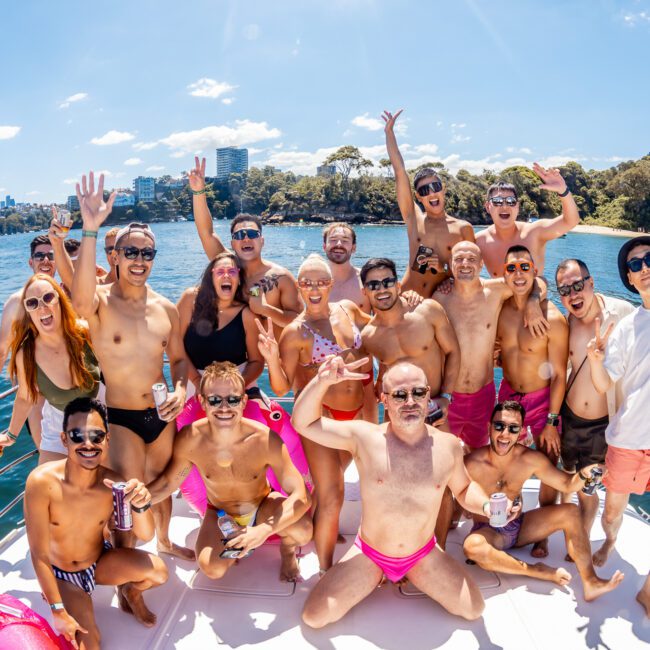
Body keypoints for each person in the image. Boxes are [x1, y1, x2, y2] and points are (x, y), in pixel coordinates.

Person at [294, 359, 499, 627]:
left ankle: (413, 573)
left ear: (429, 396)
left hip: (422, 554)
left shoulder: (448, 446)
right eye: (400, 395)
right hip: (370, 553)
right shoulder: (364, 438)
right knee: (314, 617)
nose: (410, 401)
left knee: (474, 609)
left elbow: (463, 488)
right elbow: (303, 423)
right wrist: (322, 382)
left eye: (418, 393)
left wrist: (486, 506)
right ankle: (378, 574)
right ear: (384, 400)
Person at [71, 171, 193, 562]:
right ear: (116, 257)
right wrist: (90, 230)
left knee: (161, 487)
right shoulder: (101, 303)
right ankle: (126, 577)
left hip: (161, 414)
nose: (139, 260)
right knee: (129, 493)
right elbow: (77, 303)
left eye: (147, 253)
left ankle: (166, 541)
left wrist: (179, 390)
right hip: (121, 416)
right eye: (131, 252)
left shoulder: (166, 308)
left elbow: (178, 359)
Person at [256, 254, 374, 573]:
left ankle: (293, 542)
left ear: (331, 284)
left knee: (323, 497)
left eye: (321, 281)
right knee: (333, 495)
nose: (314, 288)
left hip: (358, 417)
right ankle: (325, 572)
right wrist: (270, 358)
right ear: (299, 286)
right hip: (320, 422)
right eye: (306, 282)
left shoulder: (347, 311)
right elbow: (281, 388)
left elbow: (378, 324)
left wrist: (406, 294)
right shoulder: (296, 332)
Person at [148, 361, 312, 582]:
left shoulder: (264, 439)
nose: (224, 407)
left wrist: (263, 530)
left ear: (244, 401)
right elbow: (169, 483)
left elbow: (302, 496)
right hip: (220, 514)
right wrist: (140, 497)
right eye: (215, 400)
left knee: (303, 531)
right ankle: (234, 545)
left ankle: (287, 551)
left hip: (261, 505)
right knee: (212, 569)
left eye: (232, 399)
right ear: (202, 402)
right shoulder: (190, 439)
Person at [24, 397, 168, 649]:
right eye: (77, 435)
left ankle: (130, 592)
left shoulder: (113, 483)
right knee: (89, 644)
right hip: (63, 575)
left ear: (107, 440)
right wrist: (58, 610)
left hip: (99, 563)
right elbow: (38, 553)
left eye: (96, 436)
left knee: (158, 573)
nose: (88, 443)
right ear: (64, 439)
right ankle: (69, 603)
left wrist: (141, 503)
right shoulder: (41, 482)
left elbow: (145, 533)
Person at [463, 401, 624, 601]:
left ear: (521, 431)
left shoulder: (529, 459)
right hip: (487, 531)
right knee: (472, 547)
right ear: (489, 426)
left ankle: (591, 581)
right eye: (499, 426)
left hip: (519, 527)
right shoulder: (471, 463)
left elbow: (566, 484)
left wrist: (584, 474)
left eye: (513, 428)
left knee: (571, 511)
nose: (505, 434)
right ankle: (537, 571)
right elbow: (455, 493)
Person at [435, 242, 547, 449]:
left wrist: (532, 301)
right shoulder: (439, 298)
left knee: (478, 455)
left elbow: (536, 280)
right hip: (450, 395)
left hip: (483, 397)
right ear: (450, 265)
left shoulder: (496, 291)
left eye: (471, 259)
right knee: (443, 458)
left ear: (481, 265)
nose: (465, 264)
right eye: (459, 259)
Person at [497, 245, 569, 557]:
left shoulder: (553, 319)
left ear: (534, 271)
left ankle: (542, 532)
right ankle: (504, 522)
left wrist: (552, 421)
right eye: (511, 268)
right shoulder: (499, 309)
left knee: (548, 466)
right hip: (508, 396)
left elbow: (559, 376)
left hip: (542, 401)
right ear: (503, 274)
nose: (518, 273)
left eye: (524, 267)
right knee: (505, 463)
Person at [554, 258, 634, 535]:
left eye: (578, 285)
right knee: (565, 479)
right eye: (564, 290)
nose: (573, 294)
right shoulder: (566, 323)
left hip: (602, 424)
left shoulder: (622, 313)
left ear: (591, 283)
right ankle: (564, 532)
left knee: (588, 489)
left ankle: (582, 537)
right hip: (569, 417)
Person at [586, 236, 650, 579]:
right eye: (635, 265)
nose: (644, 268)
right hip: (629, 438)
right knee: (612, 513)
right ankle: (610, 542)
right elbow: (603, 383)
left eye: (649, 259)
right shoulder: (627, 327)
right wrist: (595, 360)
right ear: (629, 277)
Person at [188, 157, 302, 333]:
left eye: (252, 234)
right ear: (233, 243)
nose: (246, 239)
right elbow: (206, 233)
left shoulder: (282, 278)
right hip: (236, 358)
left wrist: (265, 309)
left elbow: (300, 321)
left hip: (270, 358)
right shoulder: (227, 268)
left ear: (261, 241)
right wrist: (198, 192)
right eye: (240, 235)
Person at [0, 275, 100, 463]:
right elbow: (25, 397)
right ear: (28, 312)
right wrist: (10, 436)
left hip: (99, 421)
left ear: (60, 300)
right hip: (58, 429)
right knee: (42, 486)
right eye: (32, 303)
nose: (42, 308)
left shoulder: (85, 333)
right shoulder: (27, 354)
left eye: (47, 298)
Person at [382, 109, 474, 297]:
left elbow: (471, 269)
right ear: (418, 197)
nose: (432, 193)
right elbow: (399, 170)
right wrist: (389, 133)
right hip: (408, 297)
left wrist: (444, 270)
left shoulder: (463, 229)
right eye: (425, 190)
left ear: (444, 189)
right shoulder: (413, 218)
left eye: (435, 186)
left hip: (439, 304)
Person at [359, 258, 460, 427]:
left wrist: (446, 397)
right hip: (397, 415)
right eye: (373, 285)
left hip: (434, 407)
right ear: (365, 292)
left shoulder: (427, 311)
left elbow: (453, 351)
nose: (382, 289)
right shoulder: (369, 336)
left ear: (398, 286)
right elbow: (387, 362)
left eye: (387, 282)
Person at [178, 251, 264, 399]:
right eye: (220, 271)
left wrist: (235, 388)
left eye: (232, 271)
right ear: (211, 277)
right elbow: (175, 345)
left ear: (239, 279)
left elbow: (257, 362)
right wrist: (198, 382)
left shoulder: (247, 315)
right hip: (194, 385)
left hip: (237, 387)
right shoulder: (190, 299)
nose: (226, 275)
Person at [476, 171, 580, 278]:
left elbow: (571, 221)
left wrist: (563, 191)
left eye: (511, 201)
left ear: (517, 206)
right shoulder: (479, 241)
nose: (504, 206)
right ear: (488, 206)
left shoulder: (534, 232)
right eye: (497, 201)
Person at [0, 234, 57, 375]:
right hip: (35, 384)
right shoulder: (16, 302)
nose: (45, 260)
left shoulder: (64, 294)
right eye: (39, 255)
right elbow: (2, 351)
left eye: (51, 256)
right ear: (31, 262)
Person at [322, 222, 370, 312]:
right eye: (333, 240)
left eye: (345, 240)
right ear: (324, 246)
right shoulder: (315, 283)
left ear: (353, 248)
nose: (339, 244)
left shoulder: (366, 280)